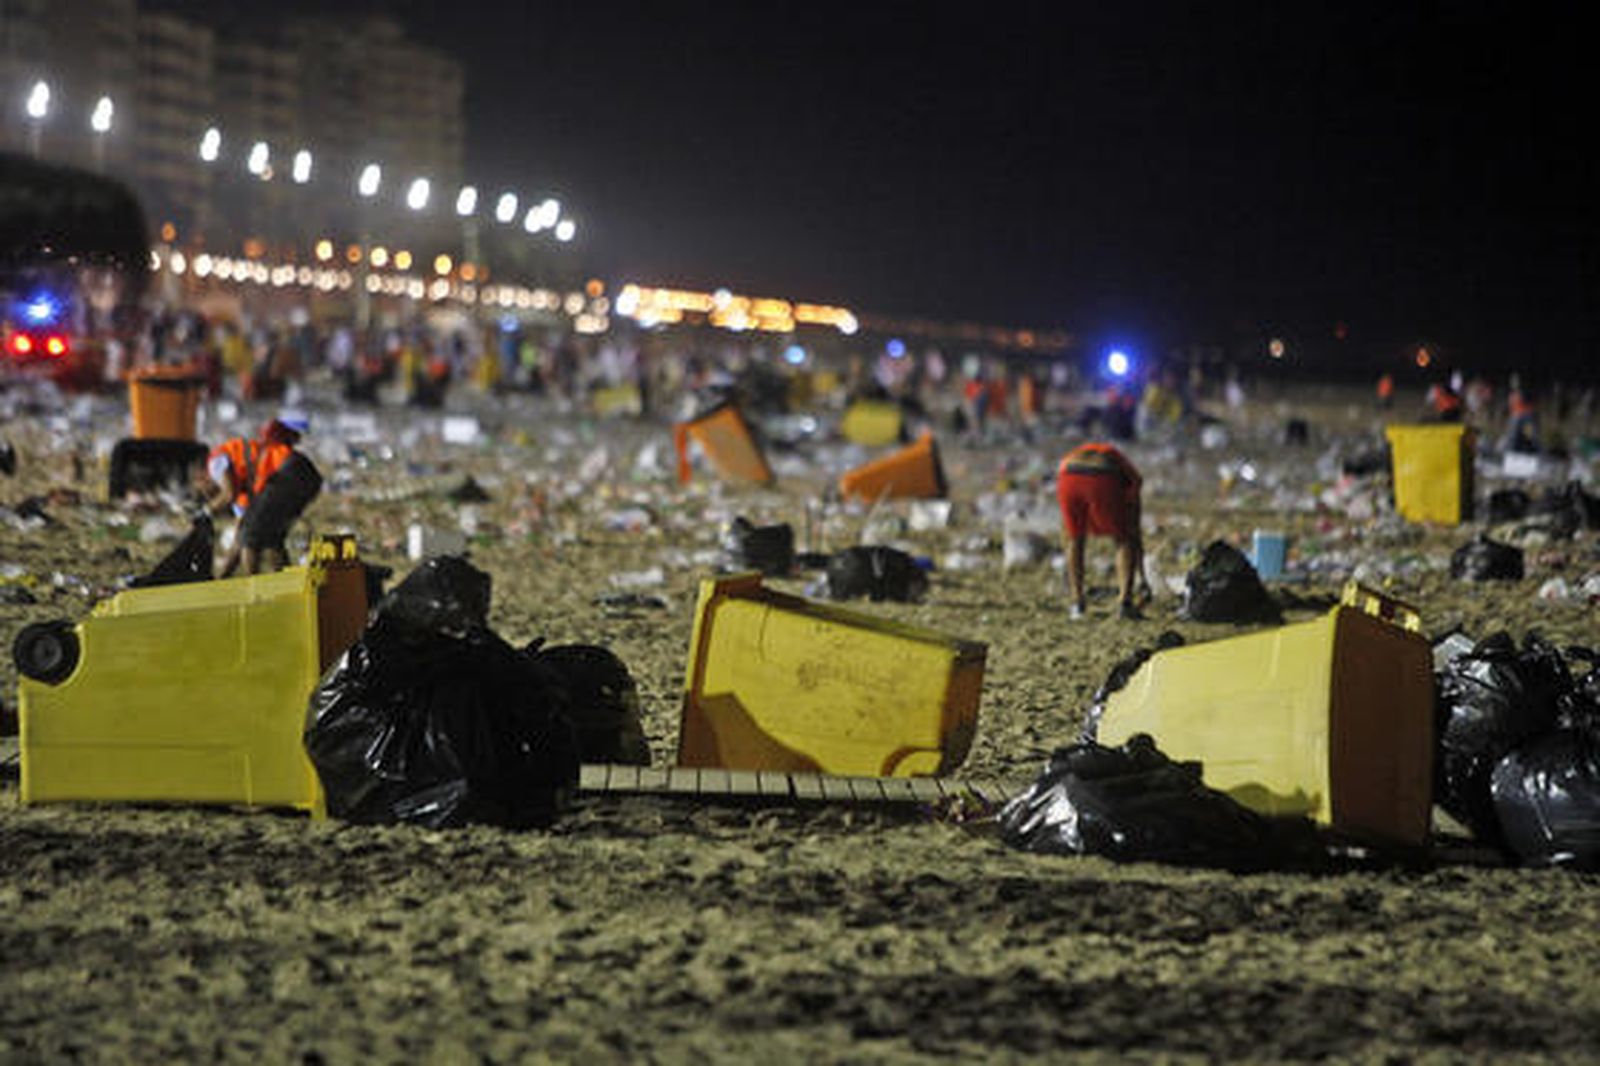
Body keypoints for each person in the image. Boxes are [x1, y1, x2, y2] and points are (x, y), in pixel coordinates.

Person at [202, 413, 311, 577]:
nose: (207, 494)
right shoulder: (243, 492)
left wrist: (206, 511)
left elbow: (227, 495)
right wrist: (222, 578)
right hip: (294, 480)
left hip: (290, 476)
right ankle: (281, 580)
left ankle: (256, 582)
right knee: (264, 538)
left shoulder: (216, 462)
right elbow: (238, 543)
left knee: (253, 538)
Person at [1056, 441, 1150, 620]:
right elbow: (1134, 529)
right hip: (1103, 476)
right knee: (1123, 540)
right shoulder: (1131, 477)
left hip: (1067, 477)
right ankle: (1125, 603)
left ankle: (1076, 603)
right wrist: (1142, 576)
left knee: (1074, 539)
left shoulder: (1083, 451)